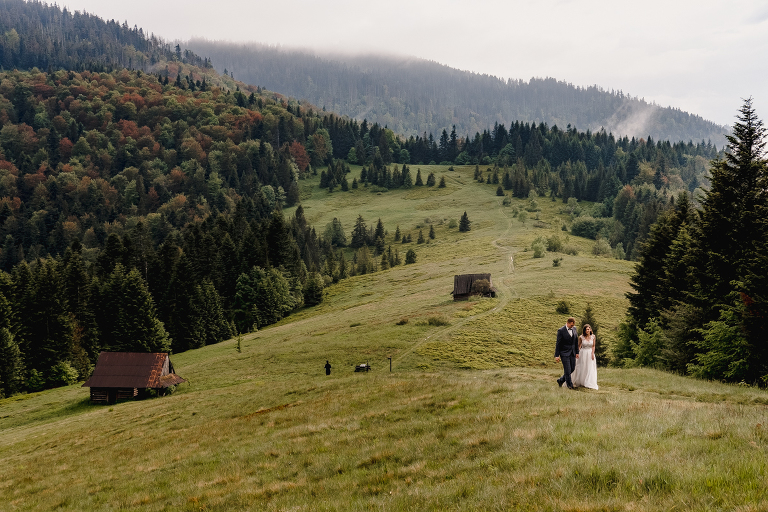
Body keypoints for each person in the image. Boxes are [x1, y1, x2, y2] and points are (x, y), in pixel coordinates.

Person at [554, 317, 579, 389]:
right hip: (564, 353)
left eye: (573, 325)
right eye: (571, 325)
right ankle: (570, 386)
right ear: (567, 323)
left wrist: (577, 352)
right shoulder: (561, 330)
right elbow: (558, 343)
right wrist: (557, 355)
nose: (572, 326)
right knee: (567, 370)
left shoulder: (574, 329)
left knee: (572, 368)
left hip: (572, 352)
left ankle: (560, 380)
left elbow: (576, 341)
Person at [571, 324, 598, 389]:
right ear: (584, 330)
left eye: (588, 329)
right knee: (582, 366)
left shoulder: (593, 337)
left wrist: (592, 353)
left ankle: (589, 382)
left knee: (590, 367)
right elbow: (579, 346)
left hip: (590, 353)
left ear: (590, 330)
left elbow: (593, 346)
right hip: (583, 353)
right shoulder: (581, 337)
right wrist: (577, 353)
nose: (587, 331)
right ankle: (581, 381)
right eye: (586, 330)